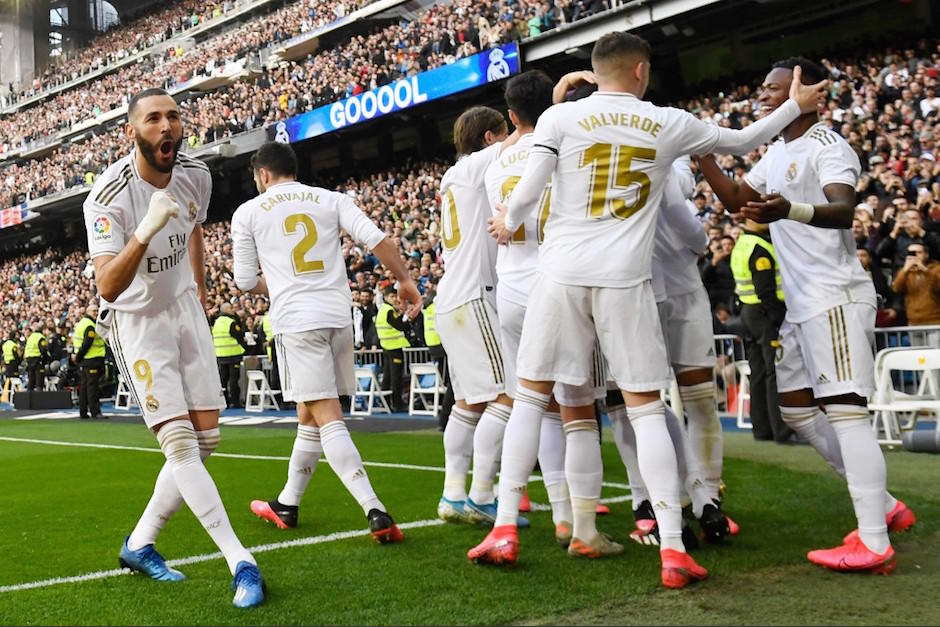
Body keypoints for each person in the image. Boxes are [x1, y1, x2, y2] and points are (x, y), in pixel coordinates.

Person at [478, 32, 825, 588]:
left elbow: (528, 191)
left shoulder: (559, 119)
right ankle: (672, 547)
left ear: (596, 71)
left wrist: (508, 220)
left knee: (532, 396)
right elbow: (743, 141)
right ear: (640, 71)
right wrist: (794, 105)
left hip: (560, 275)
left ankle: (503, 528)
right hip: (626, 280)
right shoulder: (668, 121)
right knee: (645, 409)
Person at [698, 57, 915, 574]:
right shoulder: (776, 151)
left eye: (774, 88)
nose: (764, 95)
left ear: (805, 90)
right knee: (796, 409)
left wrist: (789, 210)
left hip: (833, 296)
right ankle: (885, 505)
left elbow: (844, 210)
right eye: (764, 87)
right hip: (801, 306)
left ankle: (874, 540)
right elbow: (736, 200)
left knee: (845, 411)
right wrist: (702, 151)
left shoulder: (827, 145)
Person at [83, 87, 264, 607]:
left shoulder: (196, 174)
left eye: (174, 116)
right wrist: (144, 230)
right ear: (132, 131)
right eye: (153, 119)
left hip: (184, 308)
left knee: (206, 441)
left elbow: (195, 230)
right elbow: (107, 286)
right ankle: (241, 561)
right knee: (181, 446)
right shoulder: (107, 196)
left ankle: (140, 543)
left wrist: (199, 293)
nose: (166, 126)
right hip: (138, 319)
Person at [231, 141, 418, 543]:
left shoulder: (248, 212)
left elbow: (245, 280)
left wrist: (281, 285)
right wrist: (404, 279)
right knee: (309, 412)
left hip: (298, 321)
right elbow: (376, 239)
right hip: (337, 315)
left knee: (327, 414)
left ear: (263, 174)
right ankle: (287, 503)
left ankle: (374, 508)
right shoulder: (330, 199)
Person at [472, 70, 604, 554]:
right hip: (559, 283)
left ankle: (548, 515)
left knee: (533, 403)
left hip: (511, 289)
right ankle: (581, 527)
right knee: (577, 408)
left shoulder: (495, 161)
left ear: (510, 116)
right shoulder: (564, 141)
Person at [434, 105, 525, 528]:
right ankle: (482, 494)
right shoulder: (476, 166)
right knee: (510, 394)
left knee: (468, 403)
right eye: (503, 132)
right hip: (474, 294)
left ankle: (453, 493)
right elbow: (524, 138)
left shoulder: (454, 175)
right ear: (489, 138)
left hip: (452, 296)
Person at [730, 219, 792, 443]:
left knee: (758, 372)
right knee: (774, 371)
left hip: (749, 312)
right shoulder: (759, 247)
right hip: (764, 313)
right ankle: (782, 430)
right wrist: (776, 318)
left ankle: (762, 429)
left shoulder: (742, 243)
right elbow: (765, 289)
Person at [891, 240, 940, 338]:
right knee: (916, 349)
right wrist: (905, 269)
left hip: (934, 322)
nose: (915, 256)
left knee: (934, 348)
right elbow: (896, 288)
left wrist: (924, 270)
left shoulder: (936, 268)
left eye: (919, 252)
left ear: (926, 254)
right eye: (911, 253)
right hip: (913, 322)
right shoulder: (905, 272)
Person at [375, 287, 412, 412]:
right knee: (396, 377)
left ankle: (385, 403)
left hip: (386, 347)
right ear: (385, 297)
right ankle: (397, 403)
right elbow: (400, 326)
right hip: (394, 347)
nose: (395, 299)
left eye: (396, 296)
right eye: (392, 296)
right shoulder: (389, 311)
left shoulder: (382, 310)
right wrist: (407, 319)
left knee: (387, 377)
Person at [72, 304, 107, 420]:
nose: (96, 313)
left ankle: (83, 411)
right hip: (91, 359)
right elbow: (87, 343)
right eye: (94, 311)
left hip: (84, 360)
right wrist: (79, 357)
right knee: (93, 387)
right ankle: (95, 411)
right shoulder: (90, 325)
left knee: (84, 387)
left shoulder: (81, 323)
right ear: (88, 312)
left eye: (97, 311)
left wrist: (78, 357)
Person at [212, 302, 248, 408]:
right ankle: (235, 401)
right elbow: (239, 335)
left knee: (223, 379)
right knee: (233, 379)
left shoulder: (217, 322)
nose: (233, 310)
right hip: (233, 354)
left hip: (220, 355)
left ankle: (225, 401)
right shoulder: (230, 322)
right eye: (231, 308)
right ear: (227, 310)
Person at [24, 321, 50, 391]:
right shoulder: (41, 337)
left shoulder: (31, 337)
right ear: (43, 330)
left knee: (31, 380)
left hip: (29, 359)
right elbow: (43, 350)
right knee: (39, 380)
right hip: (37, 359)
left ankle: (29, 395)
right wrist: (47, 359)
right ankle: (39, 395)